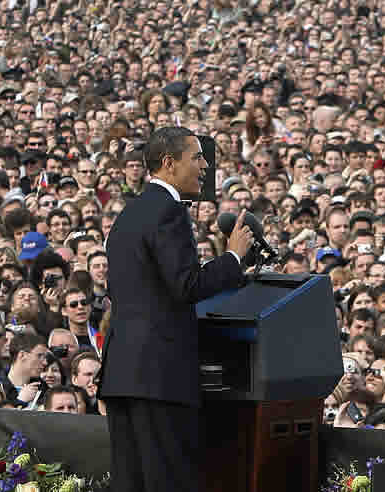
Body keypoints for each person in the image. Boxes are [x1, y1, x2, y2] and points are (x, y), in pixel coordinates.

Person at [101, 127, 253, 492]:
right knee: (168, 481)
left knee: (131, 482)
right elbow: (187, 285)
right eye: (197, 157)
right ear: (169, 163)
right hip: (159, 377)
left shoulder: (130, 213)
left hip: (124, 373)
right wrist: (233, 257)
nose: (205, 166)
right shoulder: (168, 211)